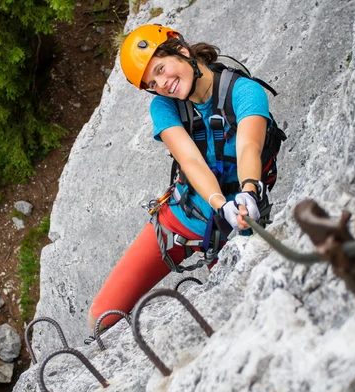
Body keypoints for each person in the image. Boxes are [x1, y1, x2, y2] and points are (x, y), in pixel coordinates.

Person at [87, 24, 274, 332]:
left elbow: (248, 146)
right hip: (182, 216)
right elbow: (189, 159)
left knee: (241, 318)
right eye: (153, 81)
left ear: (183, 52)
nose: (163, 84)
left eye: (161, 69)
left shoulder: (245, 91)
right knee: (101, 316)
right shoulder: (163, 105)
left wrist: (248, 192)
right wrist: (217, 203)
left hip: (238, 221)